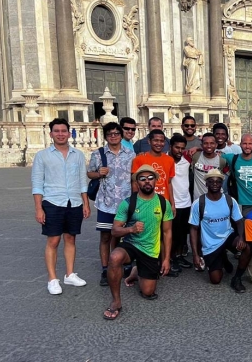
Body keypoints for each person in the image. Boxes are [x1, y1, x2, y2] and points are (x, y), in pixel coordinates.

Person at [102, 165, 173, 320]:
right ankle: (116, 302)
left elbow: (167, 232)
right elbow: (114, 231)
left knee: (148, 292)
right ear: (137, 183)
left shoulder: (163, 203)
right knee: (114, 257)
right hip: (131, 245)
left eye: (150, 178)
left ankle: (135, 272)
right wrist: (130, 230)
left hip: (151, 250)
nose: (147, 182)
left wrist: (166, 259)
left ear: (156, 181)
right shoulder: (128, 203)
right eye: (142, 179)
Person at [32, 118, 90, 294]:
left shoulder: (78, 154)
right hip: (52, 201)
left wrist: (86, 203)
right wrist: (38, 208)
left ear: (69, 133)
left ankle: (70, 274)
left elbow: (82, 181)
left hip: (74, 201)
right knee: (53, 240)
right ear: (51, 134)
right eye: (56, 131)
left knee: (71, 238)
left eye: (63, 131)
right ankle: (52, 278)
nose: (60, 134)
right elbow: (37, 183)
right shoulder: (42, 155)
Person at [87, 121, 135, 286]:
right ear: (105, 136)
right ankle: (106, 268)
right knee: (105, 236)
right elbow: (90, 173)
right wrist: (98, 173)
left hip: (125, 202)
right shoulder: (98, 154)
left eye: (116, 133)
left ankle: (120, 264)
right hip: (106, 202)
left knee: (122, 235)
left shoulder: (130, 154)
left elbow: (133, 177)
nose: (113, 136)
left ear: (121, 135)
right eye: (110, 134)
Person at [190, 169, 252, 292]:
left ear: (221, 184)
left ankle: (237, 278)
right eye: (211, 181)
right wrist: (196, 255)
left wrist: (241, 237)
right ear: (206, 184)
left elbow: (239, 221)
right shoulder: (199, 203)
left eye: (218, 181)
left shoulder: (229, 200)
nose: (214, 184)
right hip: (210, 244)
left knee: (247, 247)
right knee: (215, 280)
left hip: (227, 235)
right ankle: (222, 256)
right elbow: (193, 229)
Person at [131, 129, 176, 214]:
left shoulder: (170, 160)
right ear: (149, 141)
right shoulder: (139, 159)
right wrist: (136, 203)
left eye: (162, 141)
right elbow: (134, 183)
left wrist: (172, 204)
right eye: (156, 140)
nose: (159, 144)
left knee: (165, 227)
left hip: (164, 203)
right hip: (144, 203)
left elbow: (169, 183)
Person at [168, 134, 194, 272]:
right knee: (172, 233)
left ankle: (178, 256)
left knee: (183, 233)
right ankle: (170, 258)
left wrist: (197, 147)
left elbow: (204, 150)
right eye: (177, 147)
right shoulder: (165, 160)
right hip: (172, 203)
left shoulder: (187, 160)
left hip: (186, 202)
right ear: (171, 147)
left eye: (182, 148)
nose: (179, 150)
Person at [188, 132, 228, 202]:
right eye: (205, 143)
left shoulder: (222, 161)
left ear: (216, 145)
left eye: (212, 143)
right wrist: (198, 149)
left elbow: (228, 176)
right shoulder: (195, 156)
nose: (209, 146)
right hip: (199, 200)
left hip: (216, 200)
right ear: (201, 145)